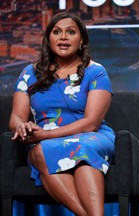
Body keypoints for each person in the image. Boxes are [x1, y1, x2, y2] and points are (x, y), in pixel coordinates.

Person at [9, 12, 115, 216]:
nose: (63, 37)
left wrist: (45, 135)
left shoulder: (96, 72)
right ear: (49, 40)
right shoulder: (29, 73)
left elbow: (91, 123)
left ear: (81, 39)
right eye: (57, 32)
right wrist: (21, 126)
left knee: (77, 150)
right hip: (45, 140)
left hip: (90, 136)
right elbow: (15, 118)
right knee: (41, 151)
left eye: (71, 32)